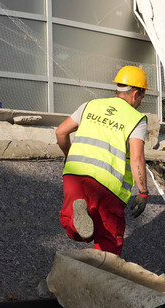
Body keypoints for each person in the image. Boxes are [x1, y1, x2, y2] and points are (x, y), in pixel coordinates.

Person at [56, 65, 151, 256]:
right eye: (142, 96)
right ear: (135, 93)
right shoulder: (136, 118)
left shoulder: (90, 105)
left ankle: (77, 218)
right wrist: (143, 192)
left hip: (74, 175)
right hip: (106, 186)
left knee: (74, 226)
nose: (141, 101)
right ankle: (102, 281)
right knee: (108, 242)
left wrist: (69, 156)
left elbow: (60, 132)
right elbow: (137, 158)